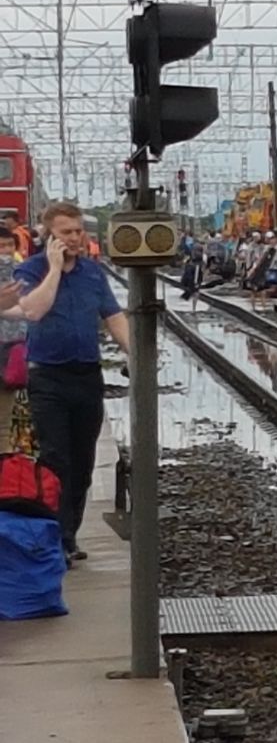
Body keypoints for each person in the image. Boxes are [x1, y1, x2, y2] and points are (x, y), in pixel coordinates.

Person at [16, 202, 130, 564]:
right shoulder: (30, 270)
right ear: (49, 235)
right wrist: (53, 269)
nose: (76, 238)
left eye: (79, 231)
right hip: (47, 376)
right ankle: (52, 537)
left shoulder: (93, 274)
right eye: (67, 232)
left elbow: (113, 316)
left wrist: (137, 354)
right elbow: (34, 310)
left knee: (82, 462)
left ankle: (68, 535)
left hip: (86, 376)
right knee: (55, 458)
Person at [0, 228, 25, 453]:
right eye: (1, 246)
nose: (5, 251)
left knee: (4, 422)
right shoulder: (21, 273)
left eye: (9, 245)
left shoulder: (21, 273)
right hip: (11, 351)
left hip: (10, 352)